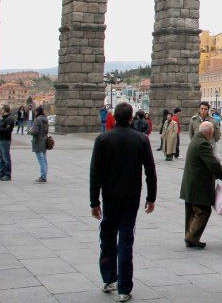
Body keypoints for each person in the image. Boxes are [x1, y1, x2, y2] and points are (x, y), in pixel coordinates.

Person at [89, 102, 157, 303]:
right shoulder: (141, 139)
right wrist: (151, 198)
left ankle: (109, 278)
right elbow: (150, 171)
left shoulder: (102, 139)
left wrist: (94, 202)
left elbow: (95, 173)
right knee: (126, 240)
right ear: (130, 118)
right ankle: (124, 288)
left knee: (107, 236)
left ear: (114, 118)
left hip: (109, 197)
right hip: (131, 197)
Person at [180, 121, 222, 248]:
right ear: (210, 132)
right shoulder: (203, 143)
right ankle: (191, 237)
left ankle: (190, 236)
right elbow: (213, 164)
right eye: (212, 131)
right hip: (198, 184)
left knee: (192, 211)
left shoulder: (196, 139)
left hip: (190, 183)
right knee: (203, 211)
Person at [0, 105, 14, 181]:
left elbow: (7, 130)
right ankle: (2, 173)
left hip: (5, 140)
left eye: (2, 109)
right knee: (1, 157)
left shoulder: (9, 120)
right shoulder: (3, 118)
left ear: (5, 110)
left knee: (6, 157)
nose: (0, 111)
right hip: (1, 139)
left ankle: (7, 174)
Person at [30, 106, 50, 183]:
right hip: (44, 140)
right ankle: (44, 175)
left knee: (41, 160)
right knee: (44, 159)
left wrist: (30, 131)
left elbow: (35, 131)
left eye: (35, 112)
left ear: (37, 112)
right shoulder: (45, 120)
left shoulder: (37, 120)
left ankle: (43, 177)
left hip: (38, 141)